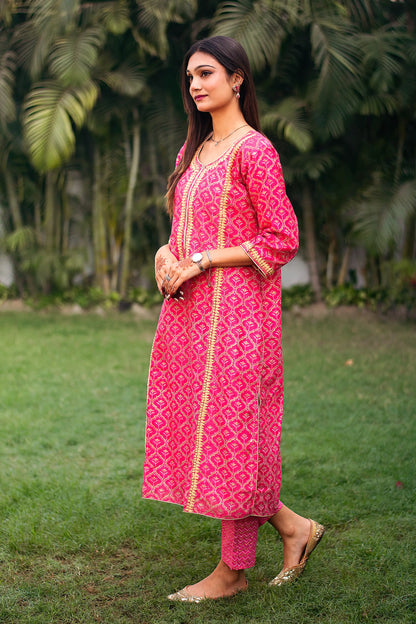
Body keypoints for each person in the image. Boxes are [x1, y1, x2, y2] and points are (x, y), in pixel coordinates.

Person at [142, 35, 324, 602]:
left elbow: (282, 237)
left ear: (237, 79)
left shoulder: (255, 151)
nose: (195, 85)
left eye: (206, 74)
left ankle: (232, 574)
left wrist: (200, 260)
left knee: (235, 437)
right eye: (190, 77)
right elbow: (181, 233)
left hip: (242, 319)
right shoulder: (190, 154)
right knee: (214, 437)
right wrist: (166, 256)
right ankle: (296, 529)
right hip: (192, 316)